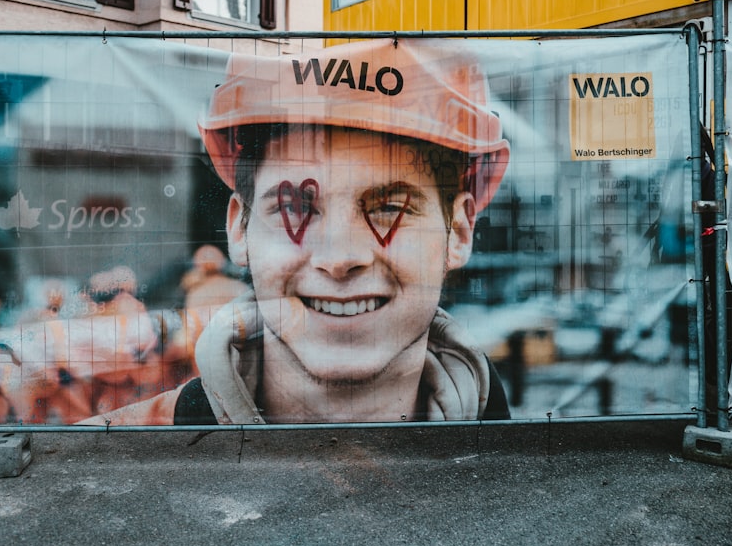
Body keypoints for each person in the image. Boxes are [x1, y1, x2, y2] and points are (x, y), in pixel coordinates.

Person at [174, 37, 513, 424]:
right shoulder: (120, 456)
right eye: (294, 207)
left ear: (460, 230)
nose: (339, 259)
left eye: (389, 208)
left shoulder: (541, 468)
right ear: (239, 229)